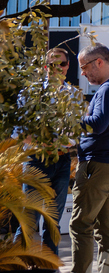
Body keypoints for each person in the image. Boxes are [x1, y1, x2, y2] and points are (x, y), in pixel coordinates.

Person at [13, 48, 81, 256]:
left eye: (62, 64)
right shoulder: (30, 94)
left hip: (61, 162)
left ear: (68, 67)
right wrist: (42, 143)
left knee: (53, 220)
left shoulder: (74, 96)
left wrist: (63, 142)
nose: (57, 69)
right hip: (35, 161)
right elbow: (19, 131)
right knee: (29, 218)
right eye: (52, 64)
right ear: (45, 67)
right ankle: (14, 266)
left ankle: (49, 269)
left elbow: (77, 132)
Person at [71, 43, 109, 273]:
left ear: (99, 62)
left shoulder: (108, 89)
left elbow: (98, 123)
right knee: (104, 226)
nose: (83, 73)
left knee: (80, 225)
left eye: (85, 67)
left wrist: (71, 122)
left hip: (99, 165)